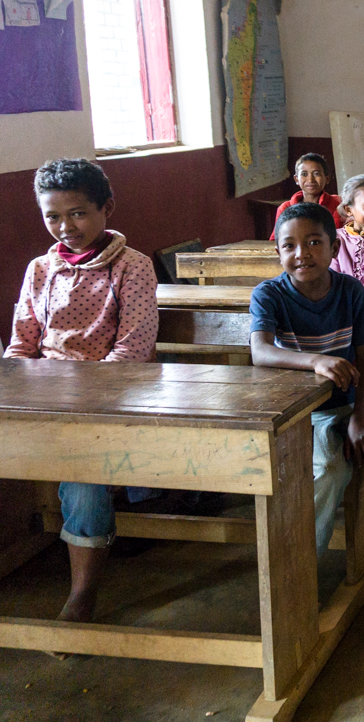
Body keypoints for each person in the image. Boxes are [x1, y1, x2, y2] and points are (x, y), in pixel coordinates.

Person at [250, 203, 364, 653]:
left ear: (334, 247)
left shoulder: (351, 292)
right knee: (327, 470)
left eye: (314, 242)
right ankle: (301, 574)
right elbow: (261, 353)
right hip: (295, 414)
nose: (302, 253)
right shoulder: (269, 295)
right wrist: (315, 360)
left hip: (348, 406)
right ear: (277, 251)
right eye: (289, 245)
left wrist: (358, 417)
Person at [5, 158, 159, 628]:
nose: (65, 227)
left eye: (77, 213)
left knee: (84, 474)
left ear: (106, 208)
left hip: (110, 398)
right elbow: (22, 341)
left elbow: (132, 350)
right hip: (44, 397)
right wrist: (18, 389)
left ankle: (82, 591)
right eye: (52, 216)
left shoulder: (132, 267)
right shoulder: (40, 269)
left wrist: (80, 404)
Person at [271, 153, 343, 239]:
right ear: (296, 179)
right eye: (304, 174)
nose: (310, 179)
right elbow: (276, 240)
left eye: (316, 174)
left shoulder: (338, 203)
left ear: (327, 178)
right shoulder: (286, 208)